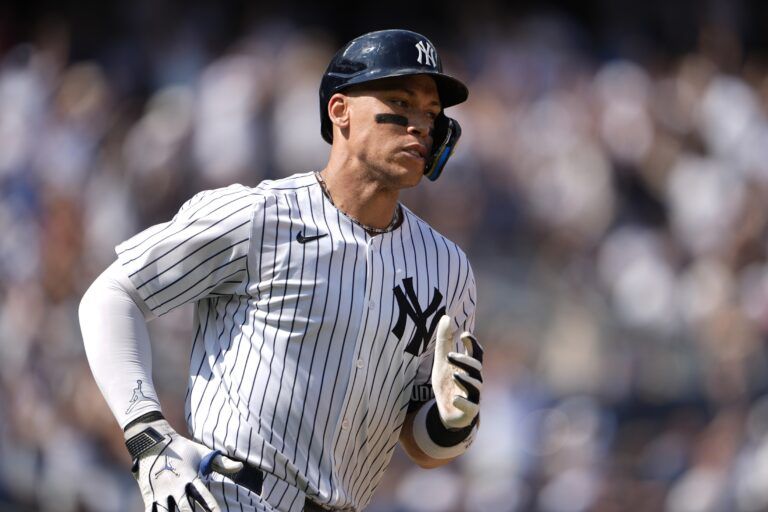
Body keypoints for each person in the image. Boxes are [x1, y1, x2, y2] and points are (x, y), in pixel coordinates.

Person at [79, 29, 483, 512]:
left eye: (433, 114)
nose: (420, 125)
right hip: (226, 495)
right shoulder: (260, 216)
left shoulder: (448, 270)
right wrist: (148, 439)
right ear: (340, 112)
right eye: (401, 101)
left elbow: (421, 445)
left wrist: (451, 424)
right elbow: (110, 295)